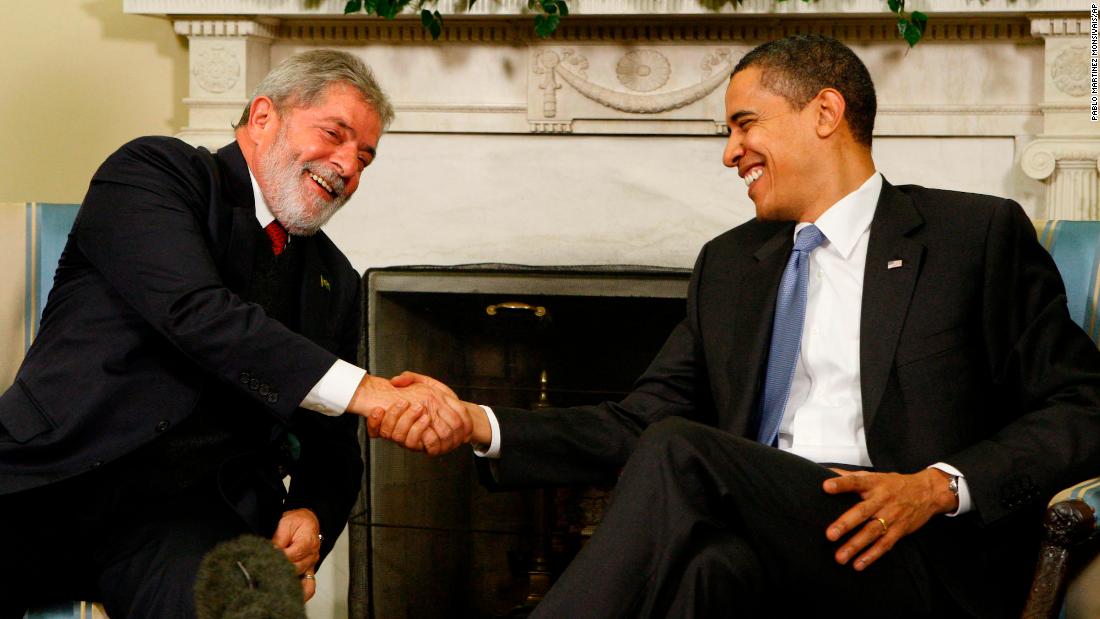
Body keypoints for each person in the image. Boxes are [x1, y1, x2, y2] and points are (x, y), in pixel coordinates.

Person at [376, 35, 1100, 617]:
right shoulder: (731, 265)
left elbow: (1083, 404)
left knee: (682, 456)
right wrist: (478, 422)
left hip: (912, 551)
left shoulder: (971, 236)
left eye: (745, 123)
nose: (729, 152)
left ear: (825, 113)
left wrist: (940, 485)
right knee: (709, 570)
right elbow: (639, 422)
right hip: (769, 530)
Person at [0, 50, 468, 617]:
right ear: (264, 116)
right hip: (47, 480)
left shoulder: (335, 280)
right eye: (334, 135)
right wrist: (375, 392)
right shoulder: (155, 172)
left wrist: (313, 513)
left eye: (365, 157)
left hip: (189, 522)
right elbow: (196, 312)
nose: (348, 166)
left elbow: (333, 443)